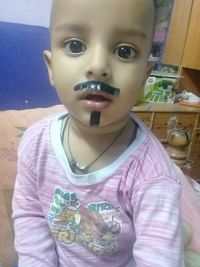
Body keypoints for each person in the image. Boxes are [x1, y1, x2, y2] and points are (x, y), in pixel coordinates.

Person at [12, 0, 190, 266]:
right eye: (75, 46)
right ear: (51, 68)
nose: (98, 67)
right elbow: (30, 215)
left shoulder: (152, 174)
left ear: (144, 76)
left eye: (125, 51)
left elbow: (158, 257)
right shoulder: (35, 144)